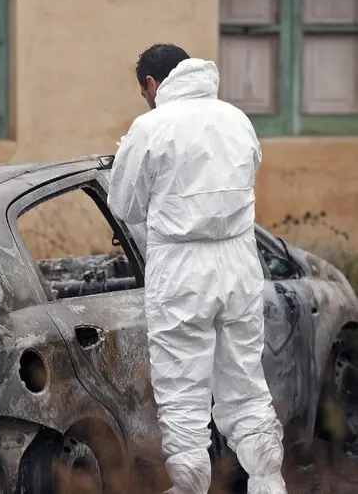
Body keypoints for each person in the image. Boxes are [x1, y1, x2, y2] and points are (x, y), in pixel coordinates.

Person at [107, 43, 287, 494]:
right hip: (239, 263)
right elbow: (247, 175)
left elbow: (124, 205)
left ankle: (190, 488)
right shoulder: (237, 119)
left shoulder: (150, 127)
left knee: (183, 392)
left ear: (152, 84)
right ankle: (268, 482)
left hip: (182, 272)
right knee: (245, 383)